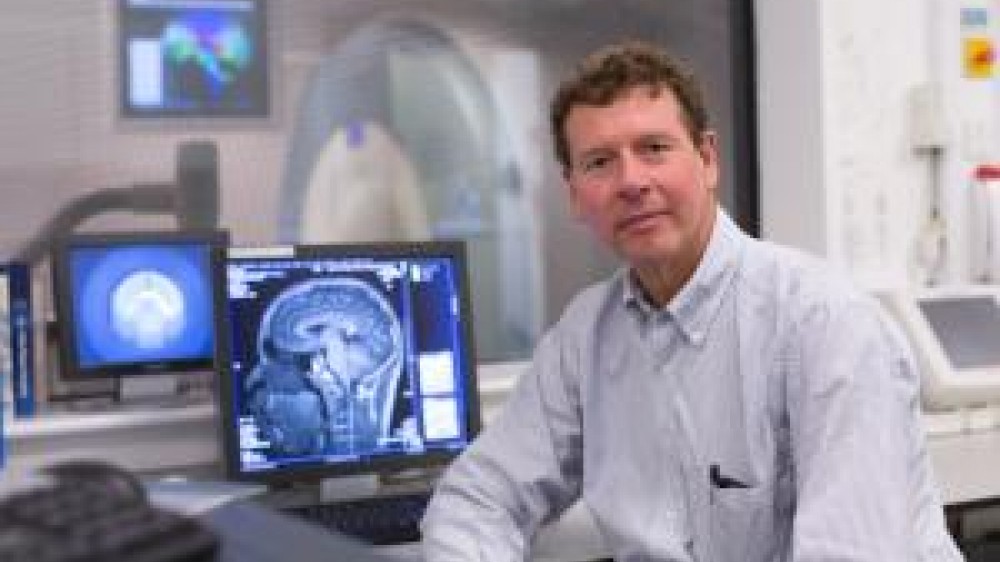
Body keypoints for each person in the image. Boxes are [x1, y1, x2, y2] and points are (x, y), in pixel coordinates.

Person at [420, 39, 964, 562]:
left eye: (654, 149)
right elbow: (475, 499)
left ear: (706, 159)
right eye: (600, 162)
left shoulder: (825, 326)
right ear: (574, 194)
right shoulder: (585, 338)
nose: (631, 181)